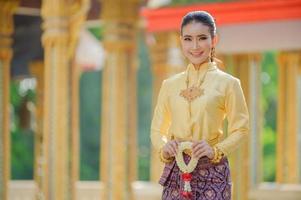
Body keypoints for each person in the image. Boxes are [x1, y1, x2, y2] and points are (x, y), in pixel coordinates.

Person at [150, 11, 249, 200]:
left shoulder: (228, 84)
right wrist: (164, 148)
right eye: (188, 39)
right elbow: (157, 130)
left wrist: (215, 150)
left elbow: (241, 129)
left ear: (214, 40)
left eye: (202, 38)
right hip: (176, 169)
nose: (194, 46)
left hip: (213, 171)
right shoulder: (170, 85)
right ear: (181, 41)